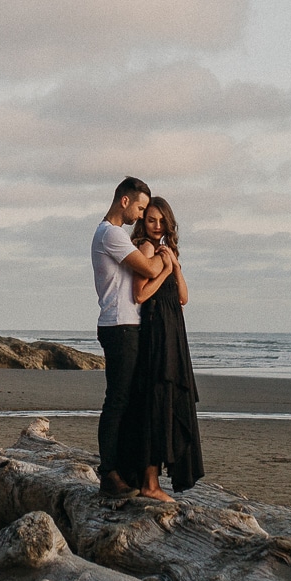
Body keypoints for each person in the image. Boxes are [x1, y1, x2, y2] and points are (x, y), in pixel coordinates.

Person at [114, 197, 202, 502]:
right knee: (156, 402)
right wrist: (164, 269)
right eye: (151, 219)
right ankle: (150, 484)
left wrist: (174, 266)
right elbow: (140, 295)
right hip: (156, 330)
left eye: (161, 220)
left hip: (173, 328)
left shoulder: (166, 249)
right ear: (143, 221)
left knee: (168, 400)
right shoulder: (146, 248)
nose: (156, 225)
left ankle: (152, 482)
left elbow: (183, 297)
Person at [92, 175, 167, 497]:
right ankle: (108, 474)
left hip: (125, 325)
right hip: (119, 326)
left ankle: (122, 471)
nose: (140, 215)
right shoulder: (110, 234)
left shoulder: (115, 235)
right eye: (139, 208)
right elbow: (148, 270)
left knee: (127, 401)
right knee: (118, 400)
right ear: (125, 201)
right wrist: (166, 262)